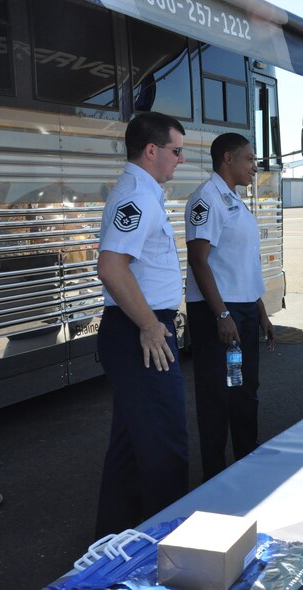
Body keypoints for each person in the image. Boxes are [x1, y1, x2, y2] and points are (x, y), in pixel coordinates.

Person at [94, 112, 189, 536]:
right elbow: (112, 268)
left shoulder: (146, 194)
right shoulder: (135, 197)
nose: (180, 160)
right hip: (139, 332)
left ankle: (112, 541)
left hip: (140, 326)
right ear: (152, 151)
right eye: (176, 151)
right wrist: (151, 326)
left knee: (132, 445)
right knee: (164, 446)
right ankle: (167, 547)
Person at [185, 133, 275, 482]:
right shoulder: (206, 200)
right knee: (216, 396)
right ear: (228, 158)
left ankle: (245, 462)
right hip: (219, 316)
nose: (255, 166)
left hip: (242, 313)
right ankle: (214, 476)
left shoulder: (234, 200)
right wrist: (222, 314)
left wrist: (262, 313)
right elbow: (199, 261)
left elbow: (243, 266)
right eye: (250, 159)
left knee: (241, 388)